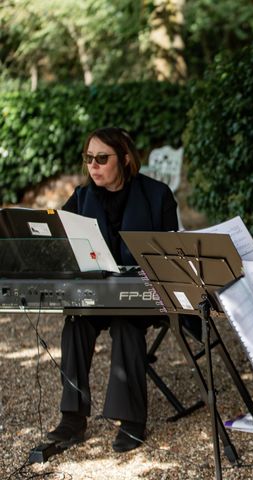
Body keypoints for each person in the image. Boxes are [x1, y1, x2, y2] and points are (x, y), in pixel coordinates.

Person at [47, 127, 179, 453]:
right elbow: (58, 244)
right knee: (75, 323)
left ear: (124, 158)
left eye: (102, 158)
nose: (93, 165)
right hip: (96, 295)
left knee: (126, 324)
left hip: (141, 297)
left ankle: (132, 421)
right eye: (89, 158)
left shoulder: (157, 195)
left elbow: (170, 256)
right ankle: (72, 418)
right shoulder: (81, 197)